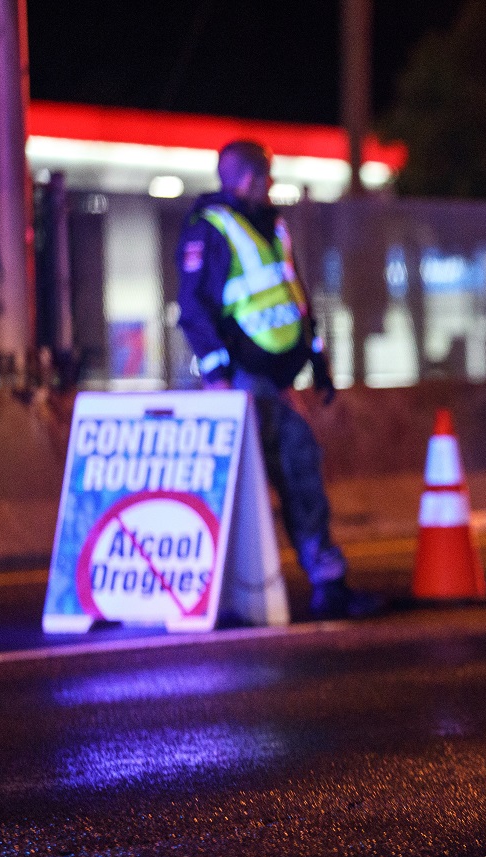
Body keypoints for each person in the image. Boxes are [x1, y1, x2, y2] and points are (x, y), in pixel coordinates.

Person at [176, 140, 380, 619]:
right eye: (264, 176)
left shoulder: (271, 227)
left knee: (291, 470)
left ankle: (287, 588)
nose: (270, 184)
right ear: (245, 179)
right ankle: (320, 585)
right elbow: (194, 309)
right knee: (295, 466)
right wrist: (219, 377)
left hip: (273, 381)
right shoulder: (212, 230)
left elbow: (293, 297)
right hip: (245, 383)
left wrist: (315, 360)